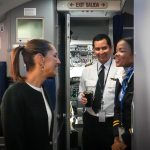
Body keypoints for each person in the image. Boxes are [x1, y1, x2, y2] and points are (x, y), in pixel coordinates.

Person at [1, 39, 61, 150]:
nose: (58, 61)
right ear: (40, 59)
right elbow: (14, 144)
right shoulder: (14, 94)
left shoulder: (42, 90)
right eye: (55, 56)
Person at [78, 34, 122, 150]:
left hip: (111, 121)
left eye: (104, 48)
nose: (101, 52)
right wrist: (81, 98)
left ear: (111, 48)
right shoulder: (87, 70)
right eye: (97, 49)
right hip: (91, 120)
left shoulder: (120, 70)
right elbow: (80, 92)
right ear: (93, 50)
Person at [112, 37, 134, 150]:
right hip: (121, 134)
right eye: (116, 51)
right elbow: (117, 107)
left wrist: (125, 140)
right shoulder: (121, 76)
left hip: (134, 138)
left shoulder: (142, 79)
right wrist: (116, 136)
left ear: (134, 54)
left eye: (122, 50)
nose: (116, 54)